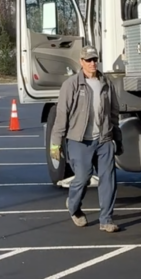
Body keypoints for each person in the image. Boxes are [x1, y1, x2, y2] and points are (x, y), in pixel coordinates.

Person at [49, 45, 122, 232]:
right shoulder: (72, 84)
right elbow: (62, 115)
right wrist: (55, 144)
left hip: (103, 139)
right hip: (79, 140)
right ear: (81, 62)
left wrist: (117, 138)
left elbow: (114, 114)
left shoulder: (106, 84)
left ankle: (106, 219)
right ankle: (74, 207)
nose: (92, 63)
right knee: (83, 176)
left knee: (108, 179)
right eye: (88, 60)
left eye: (94, 59)